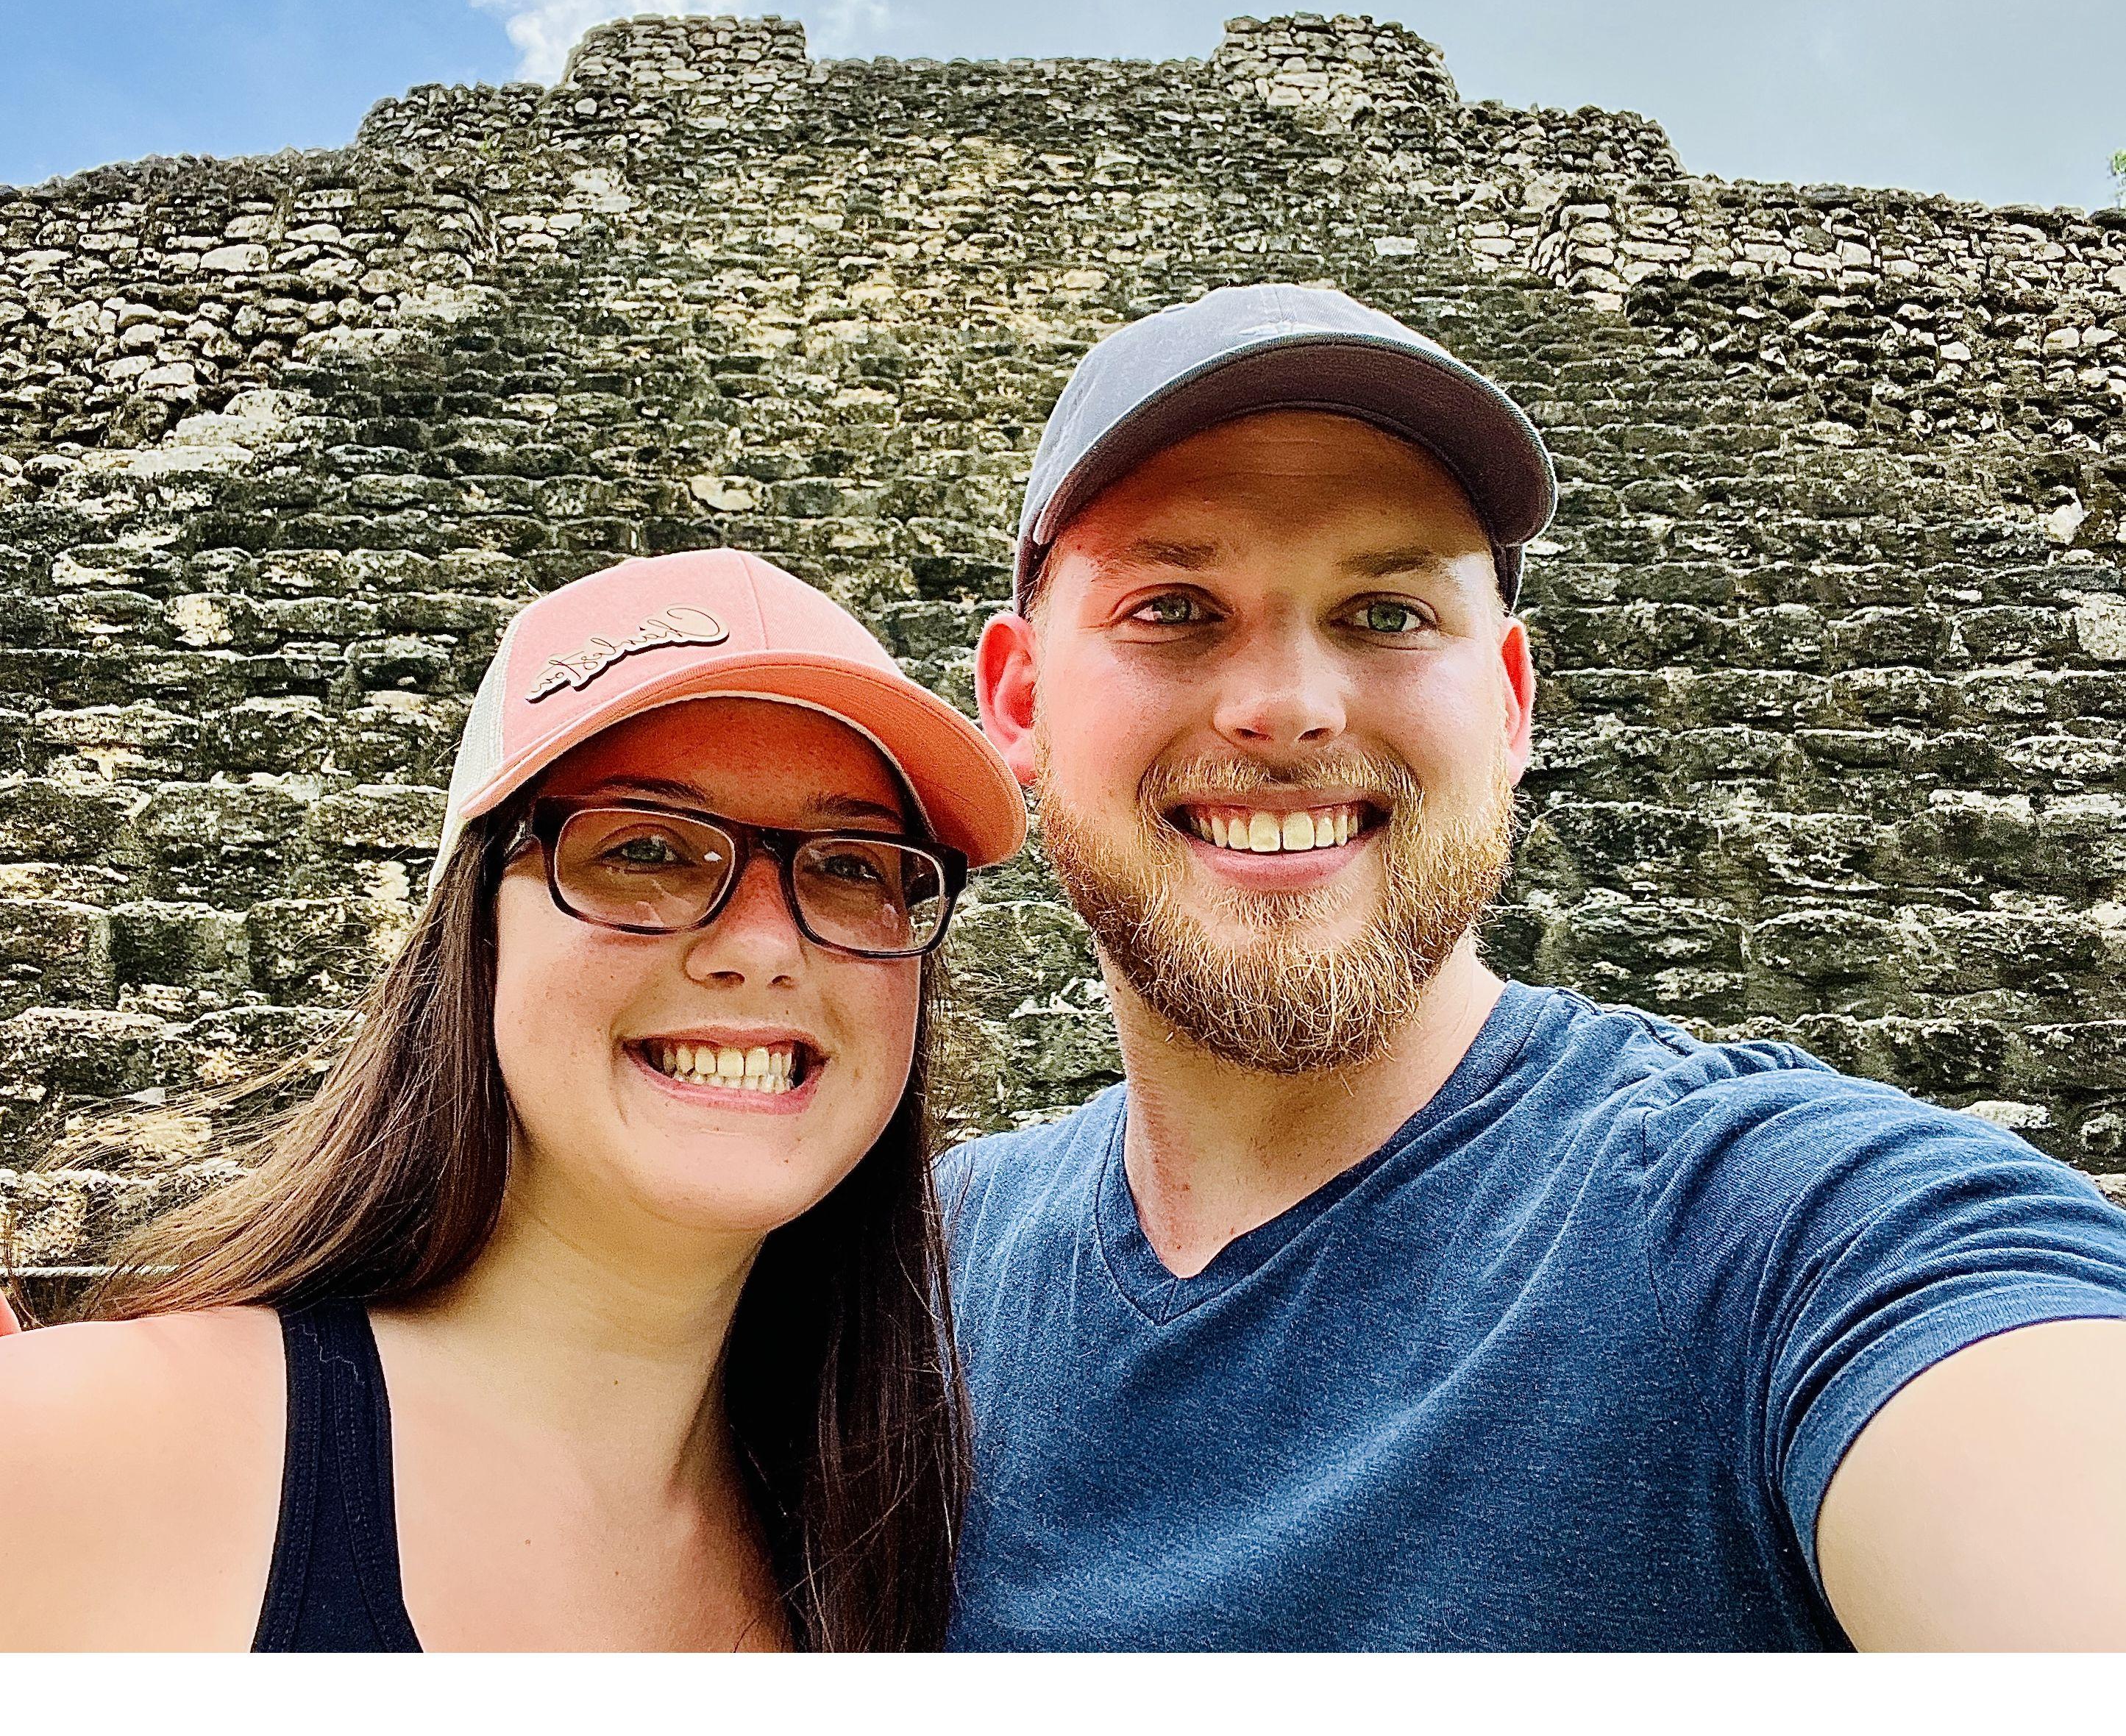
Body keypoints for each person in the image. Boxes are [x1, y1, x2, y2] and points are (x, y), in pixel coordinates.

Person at [948, 281, 2126, 1651]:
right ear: (1020, 702)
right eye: (1173, 606)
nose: (1285, 706)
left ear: (1509, 701)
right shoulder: (915, 1277)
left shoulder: (1788, 1234)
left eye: (1385, 612)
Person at [0, 548, 1025, 1652]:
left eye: (854, 865)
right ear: (472, 933)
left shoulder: (915, 1540)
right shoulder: (82, 1455)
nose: (767, 944)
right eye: (645, 847)